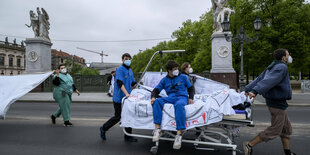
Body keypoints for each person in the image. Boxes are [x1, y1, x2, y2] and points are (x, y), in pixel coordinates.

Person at [243, 49, 296, 155]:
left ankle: (288, 152)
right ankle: (249, 145)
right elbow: (269, 80)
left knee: (286, 129)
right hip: (276, 103)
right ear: (283, 58)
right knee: (275, 130)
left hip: (277, 102)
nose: (289, 56)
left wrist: (248, 88)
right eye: (288, 54)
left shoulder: (272, 66)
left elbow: (259, 79)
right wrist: (254, 91)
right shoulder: (281, 67)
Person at [151, 60, 195, 149]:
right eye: (174, 69)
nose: (177, 70)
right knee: (157, 101)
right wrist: (153, 97)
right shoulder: (164, 80)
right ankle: (157, 129)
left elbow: (191, 88)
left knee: (178, 105)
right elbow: (156, 90)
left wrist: (190, 98)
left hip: (182, 97)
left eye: (177, 68)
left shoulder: (183, 77)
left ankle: (179, 134)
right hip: (171, 98)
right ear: (169, 70)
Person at [100, 53, 138, 142]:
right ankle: (103, 128)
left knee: (129, 115)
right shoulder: (120, 69)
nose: (127, 60)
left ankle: (128, 135)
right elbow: (119, 83)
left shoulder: (130, 70)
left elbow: (133, 82)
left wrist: (138, 86)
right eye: (126, 58)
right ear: (122, 60)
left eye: (129, 58)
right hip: (119, 97)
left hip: (127, 98)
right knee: (117, 117)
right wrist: (126, 94)